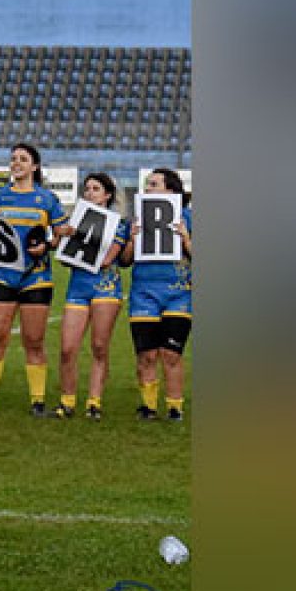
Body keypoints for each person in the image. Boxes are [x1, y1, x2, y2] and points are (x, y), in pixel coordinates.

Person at [0, 142, 74, 416]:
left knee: (34, 340)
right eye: (13, 158)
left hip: (36, 277)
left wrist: (51, 243)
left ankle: (38, 401)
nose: (16, 163)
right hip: (1, 275)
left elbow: (58, 235)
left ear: (35, 166)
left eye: (23, 159)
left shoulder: (47, 199)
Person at [55, 172, 132, 420]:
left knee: (99, 346)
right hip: (78, 286)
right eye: (87, 188)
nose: (89, 193)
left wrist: (78, 242)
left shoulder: (118, 224)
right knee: (67, 348)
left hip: (105, 288)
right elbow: (67, 260)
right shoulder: (75, 222)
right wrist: (62, 238)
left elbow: (108, 259)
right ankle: (67, 401)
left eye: (95, 188)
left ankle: (94, 402)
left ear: (107, 195)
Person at [123, 168, 193, 421]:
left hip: (178, 293)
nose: (148, 189)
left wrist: (186, 239)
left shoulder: (188, 217)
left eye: (153, 184)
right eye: (147, 185)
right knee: (146, 354)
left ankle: (175, 407)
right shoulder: (137, 219)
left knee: (171, 354)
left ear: (171, 191)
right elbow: (124, 260)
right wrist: (131, 240)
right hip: (143, 293)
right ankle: (148, 407)